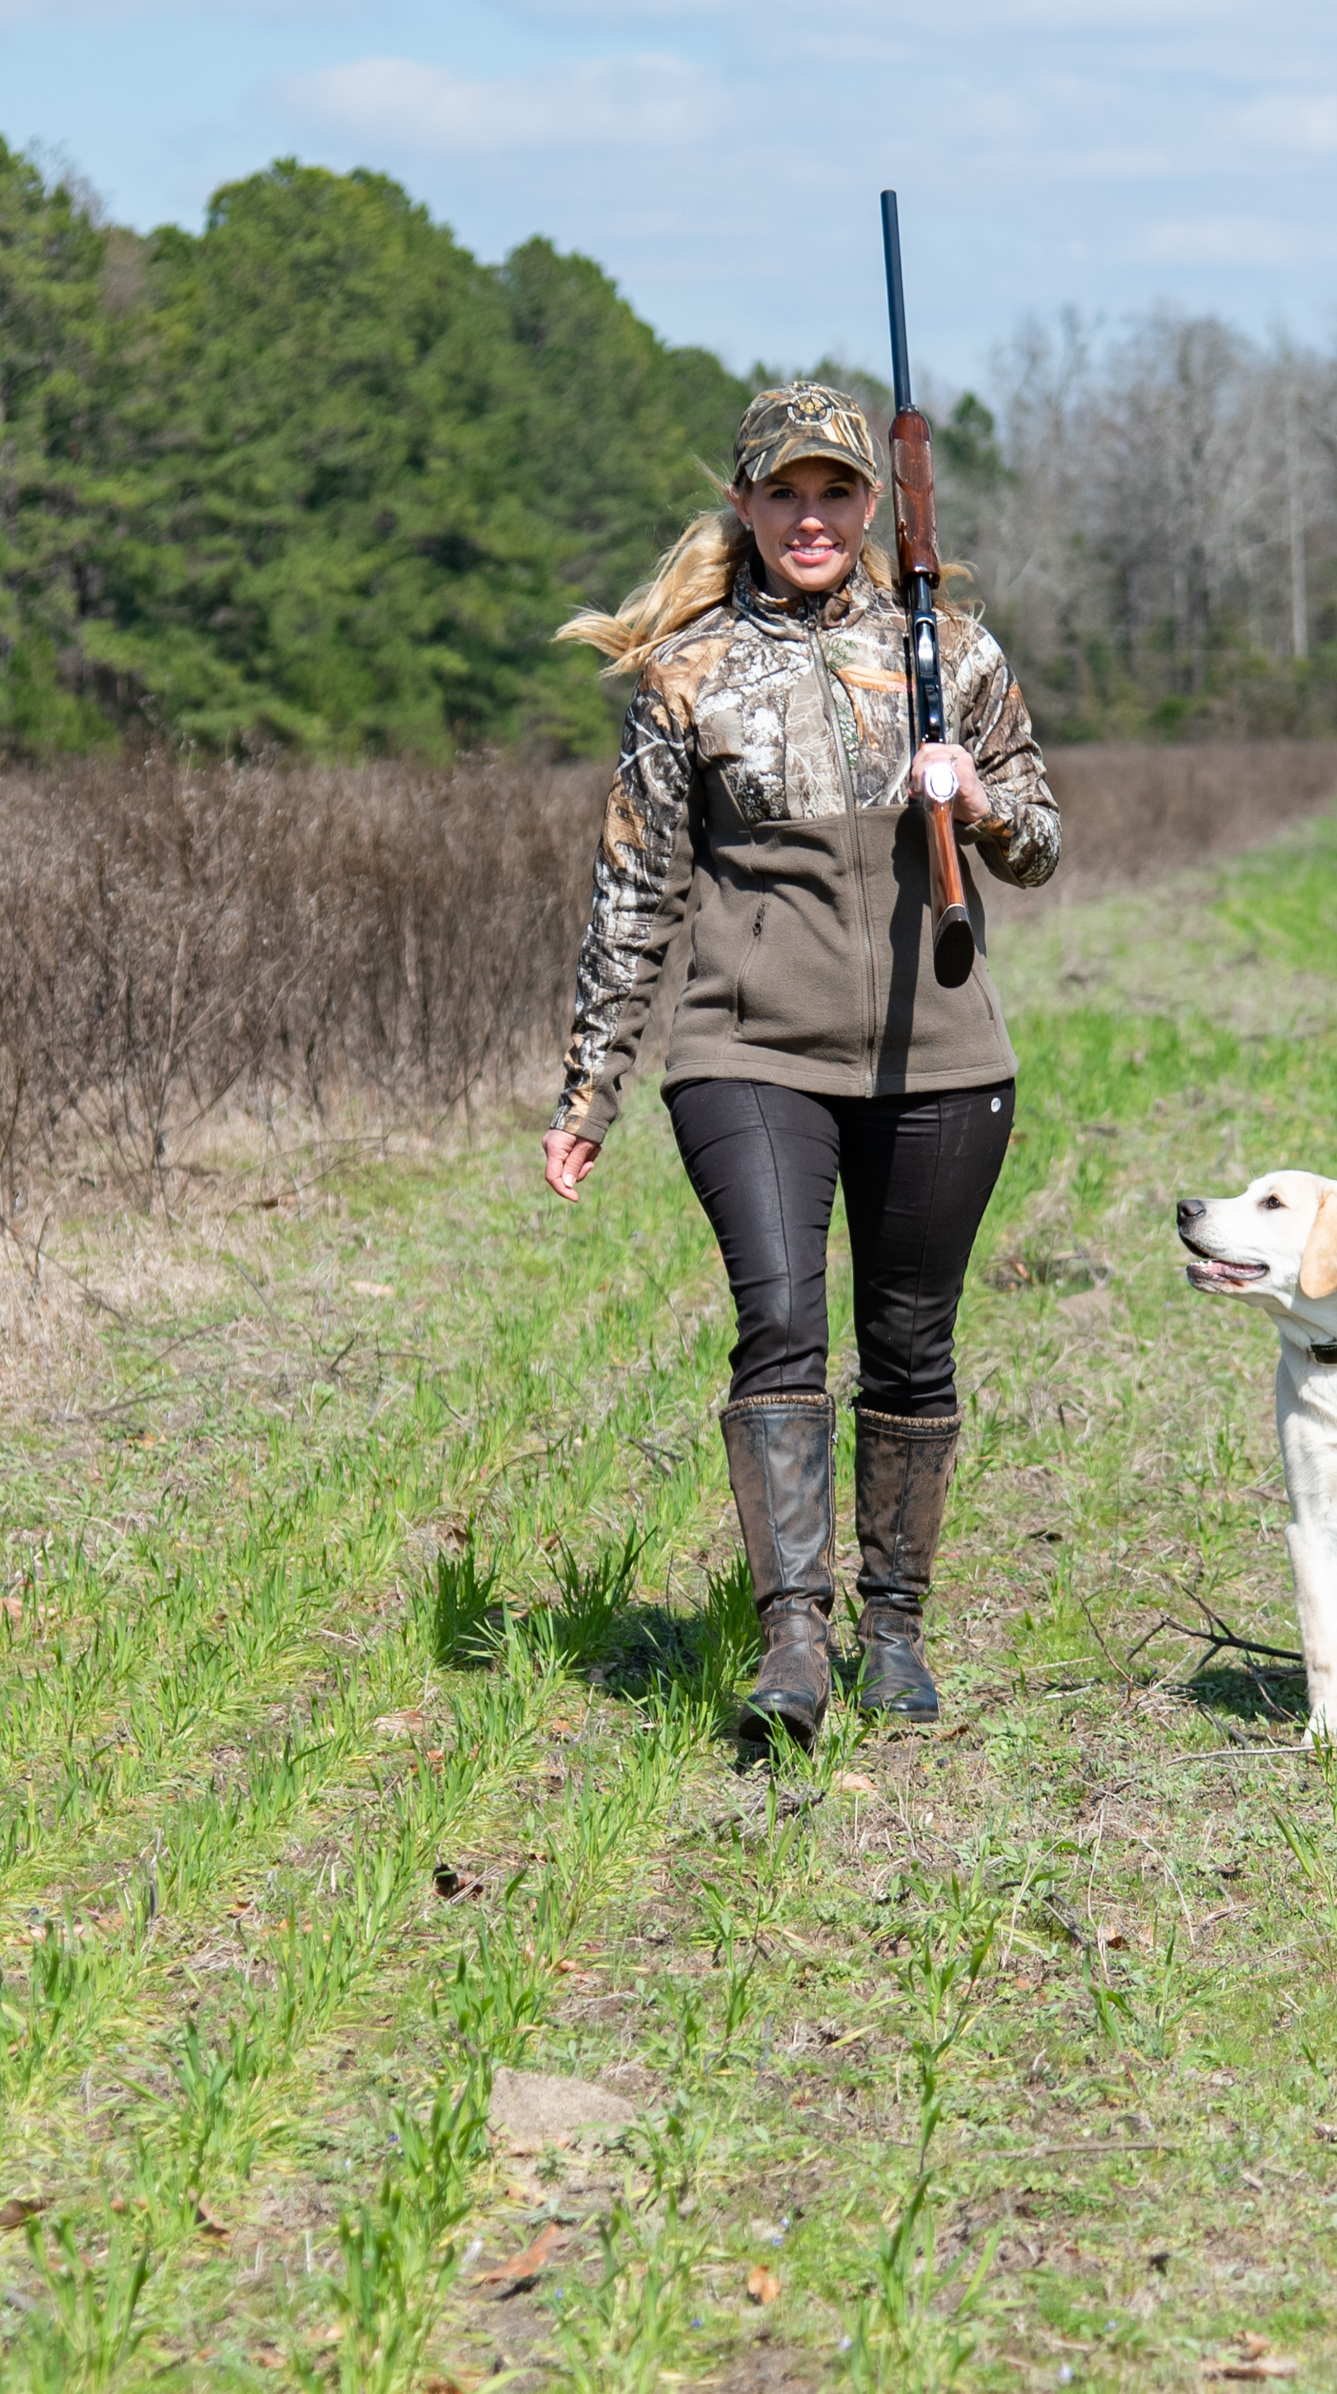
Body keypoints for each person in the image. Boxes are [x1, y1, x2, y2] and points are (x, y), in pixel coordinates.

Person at [540, 379, 1060, 1739]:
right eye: (786, 493)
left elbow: (1044, 841)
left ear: (872, 507)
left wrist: (977, 793)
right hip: (747, 1046)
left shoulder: (955, 654)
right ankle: (792, 1644)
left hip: (938, 1053)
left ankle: (896, 1631)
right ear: (747, 507)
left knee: (908, 1341)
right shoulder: (688, 674)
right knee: (779, 1319)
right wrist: (591, 1084)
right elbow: (635, 890)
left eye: (836, 492)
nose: (812, 516)